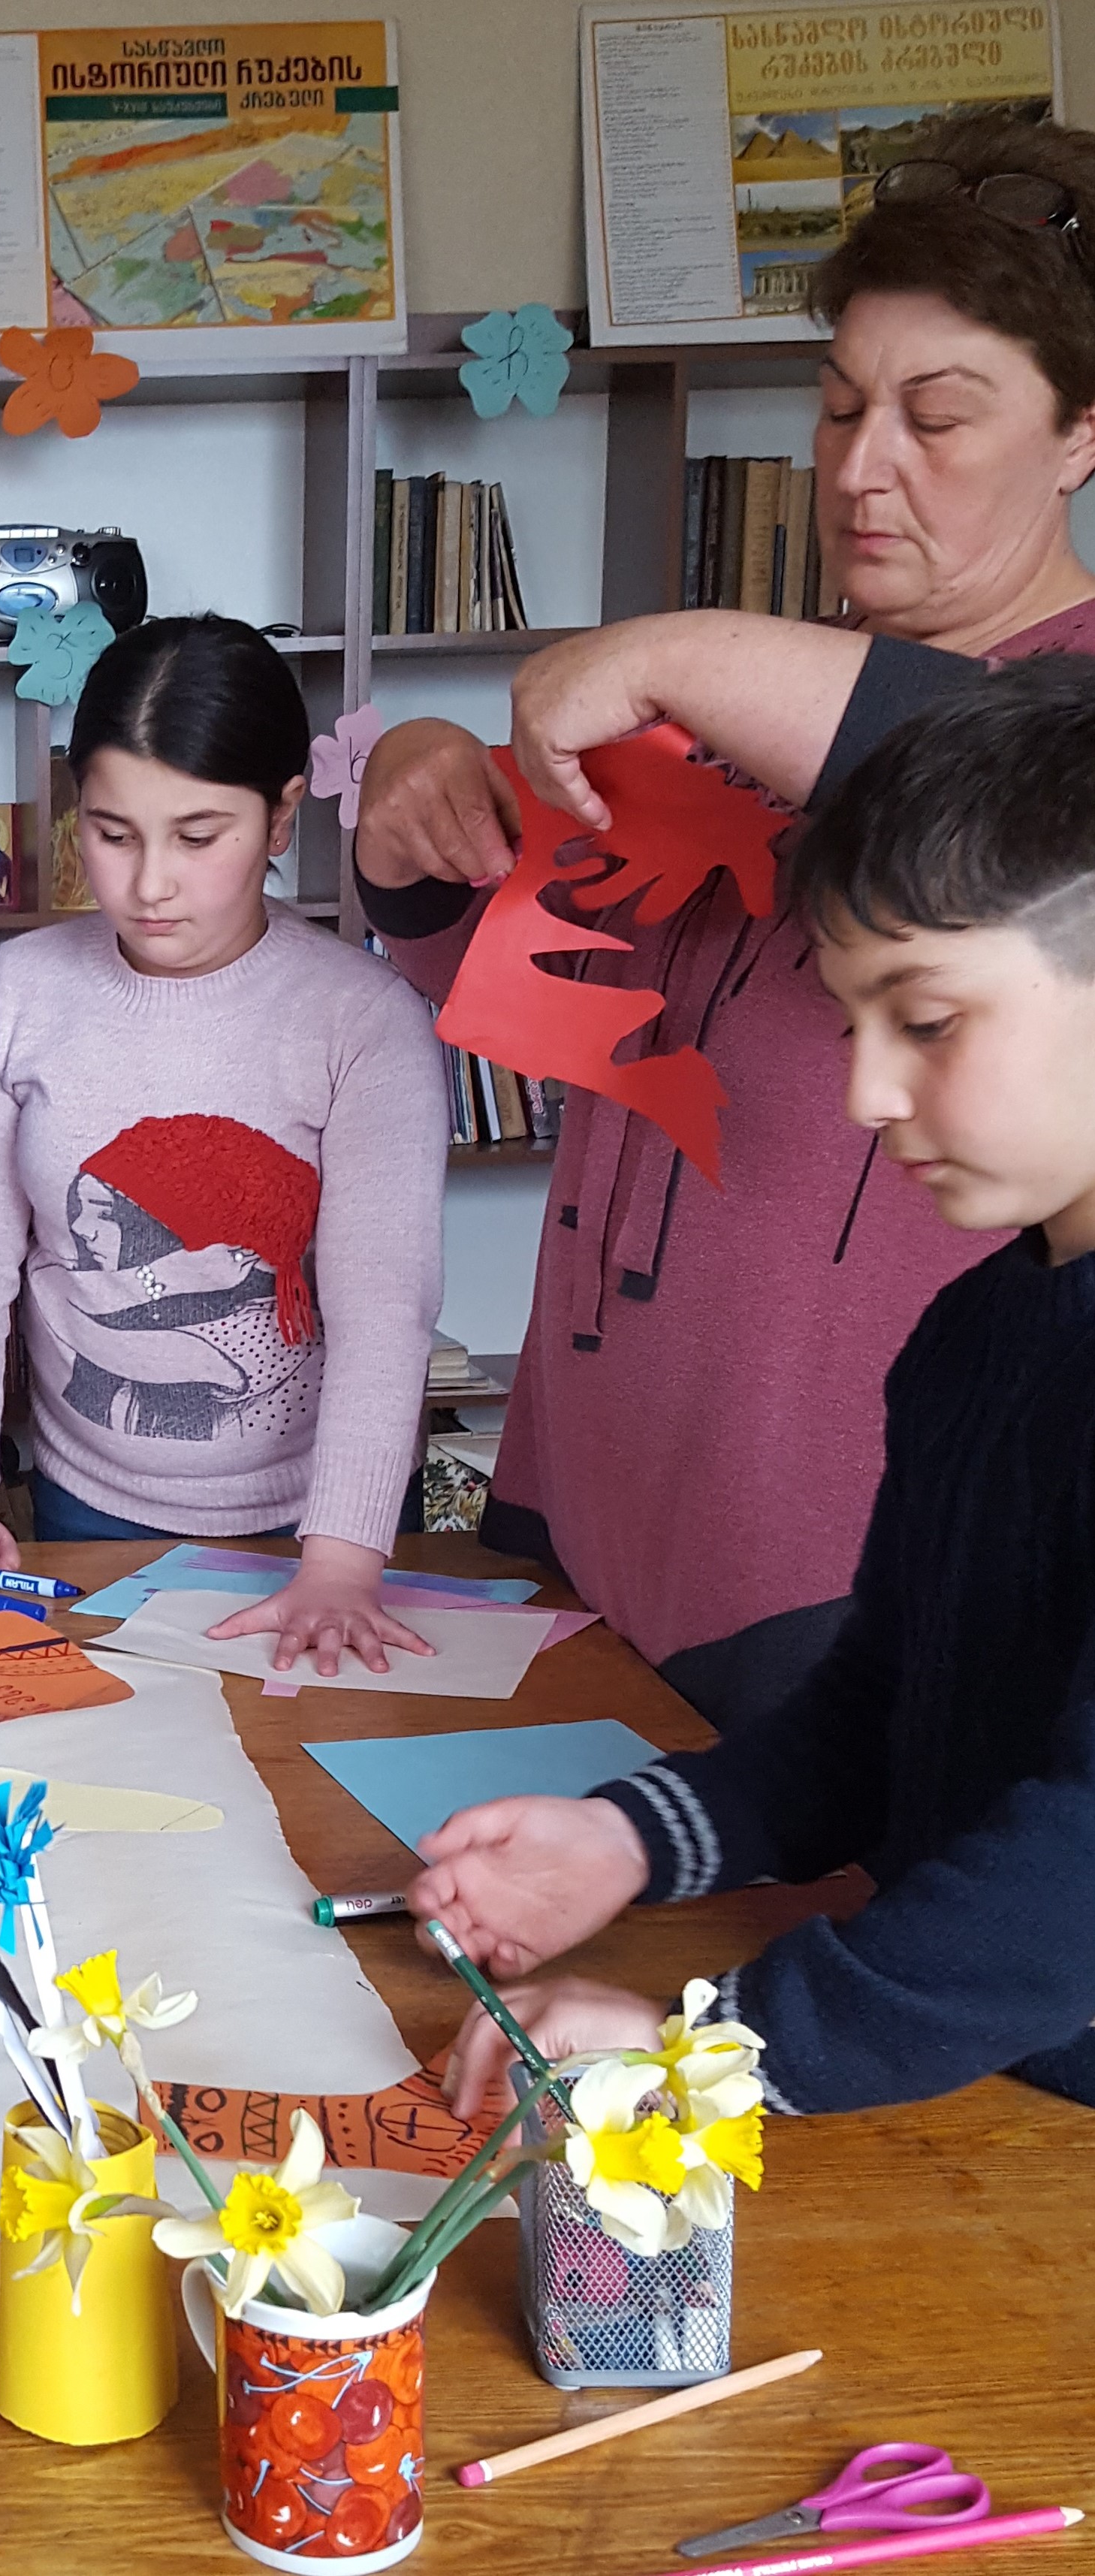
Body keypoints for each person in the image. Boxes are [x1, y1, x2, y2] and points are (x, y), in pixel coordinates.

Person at [354, 112, 1095, 1727]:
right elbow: (527, 979)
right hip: (583, 1498)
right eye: (838, 408)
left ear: (1080, 436)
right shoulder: (751, 703)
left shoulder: (1032, 713)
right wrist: (414, 822)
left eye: (936, 418)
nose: (861, 467)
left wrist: (674, 647)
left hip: (831, 1581)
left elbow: (986, 766)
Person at [422, 657, 1095, 2118]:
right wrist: (630, 1841)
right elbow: (878, 1707)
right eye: (855, 1025)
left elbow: (1079, 1869)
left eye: (927, 1021)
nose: (865, 1094)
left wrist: (716, 2050)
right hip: (961, 2077)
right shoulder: (975, 1329)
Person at [0, 618, 447, 1676]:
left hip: (323, 1522)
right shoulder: (19, 992)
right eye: (113, 834)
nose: (150, 884)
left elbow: (386, 1309)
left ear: (282, 813)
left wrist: (341, 1561)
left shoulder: (362, 1019)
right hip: (86, 1503)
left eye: (199, 838)